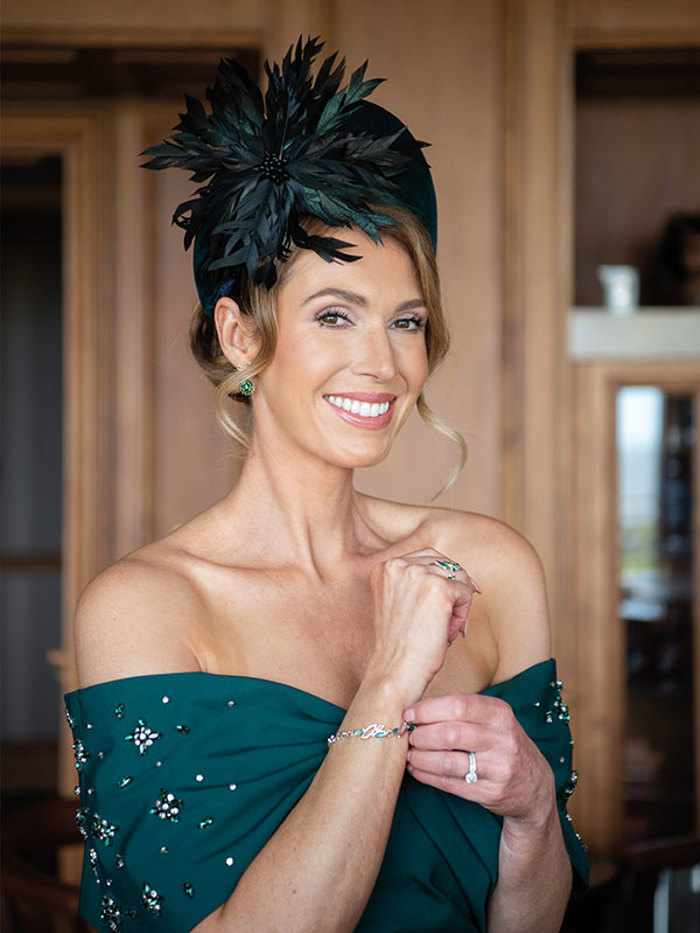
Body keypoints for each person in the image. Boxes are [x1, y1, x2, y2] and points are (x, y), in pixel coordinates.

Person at [65, 37, 588, 933]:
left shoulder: (494, 567)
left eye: (407, 320)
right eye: (335, 314)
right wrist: (388, 681)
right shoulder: (145, 608)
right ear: (240, 335)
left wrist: (536, 809)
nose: (383, 363)